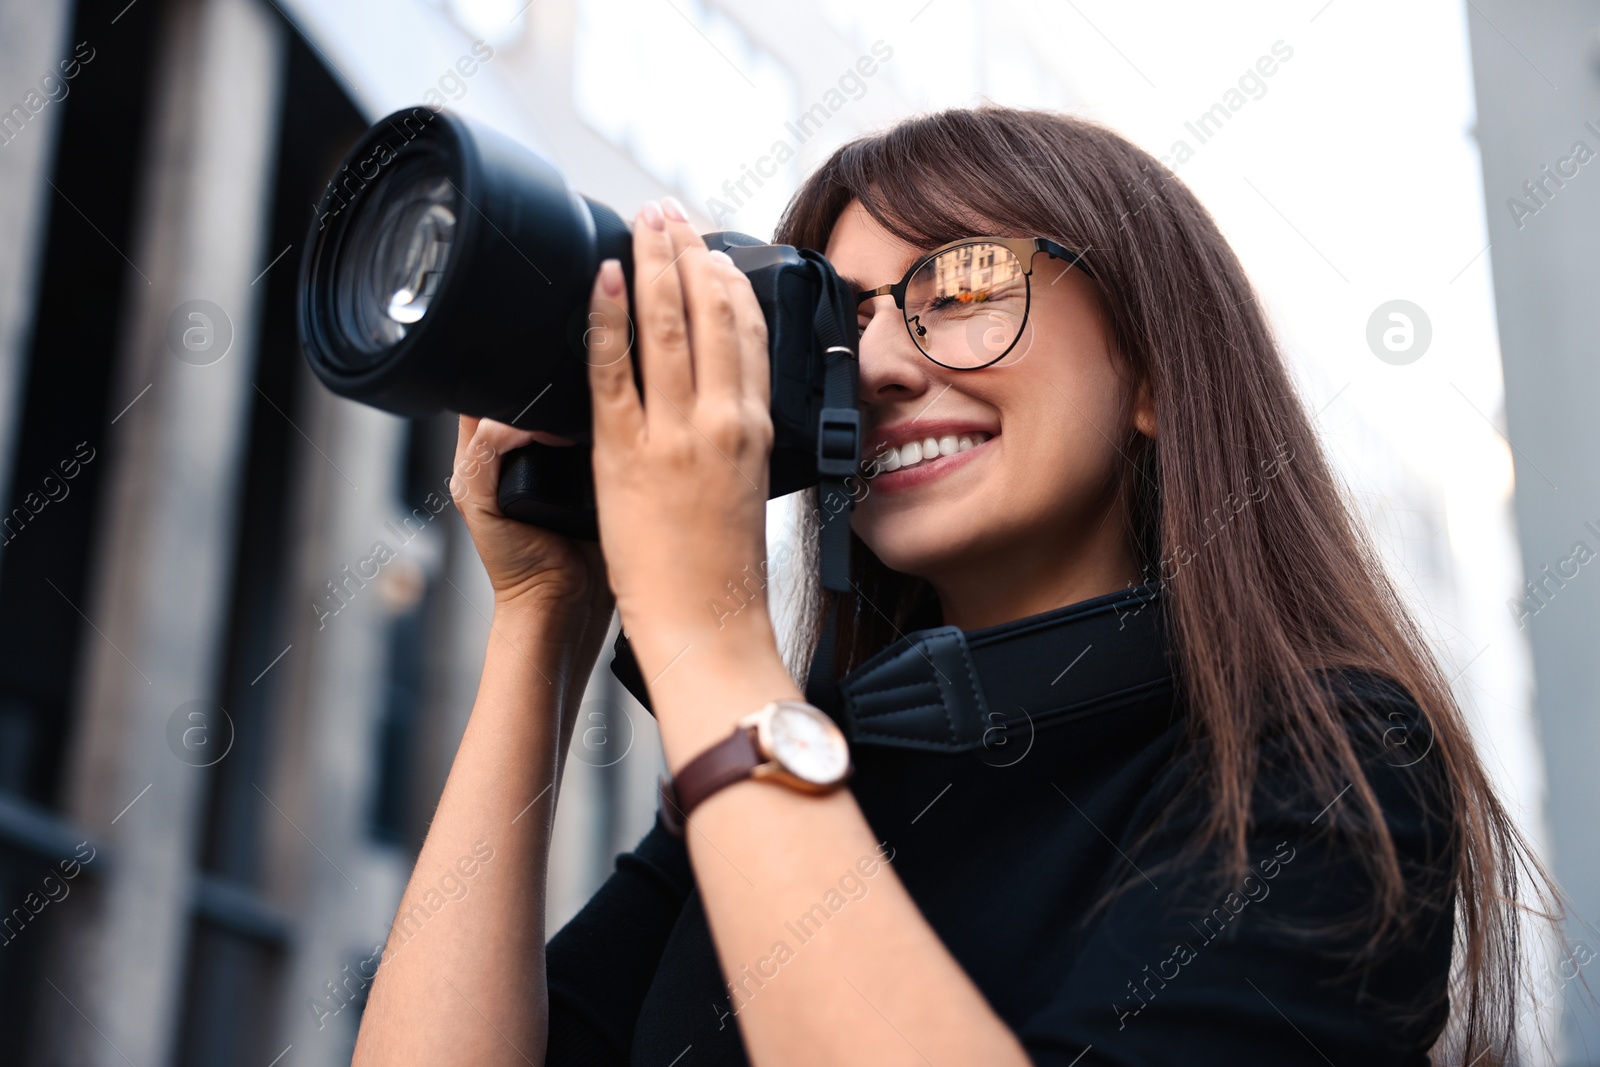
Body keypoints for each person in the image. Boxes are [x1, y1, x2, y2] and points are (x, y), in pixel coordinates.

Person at [351, 107, 1569, 1066]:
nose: (878, 362)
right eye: (842, 318)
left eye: (966, 280)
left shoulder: (1325, 762)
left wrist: (712, 642)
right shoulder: (806, 772)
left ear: (1152, 370)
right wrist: (545, 614)